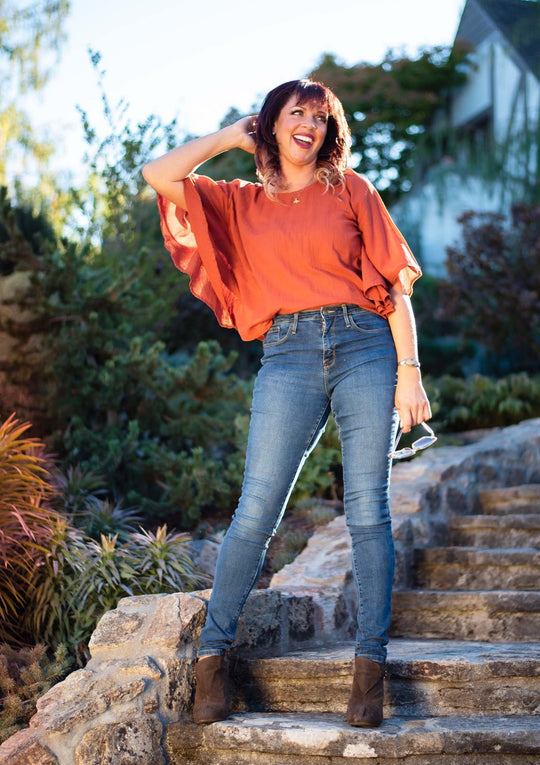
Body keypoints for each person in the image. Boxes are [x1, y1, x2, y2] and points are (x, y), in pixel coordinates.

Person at [143, 79, 432, 729]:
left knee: (367, 507)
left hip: (366, 345)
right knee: (254, 511)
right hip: (289, 353)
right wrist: (225, 137)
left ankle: (369, 671)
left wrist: (410, 373)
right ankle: (212, 662)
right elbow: (157, 173)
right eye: (295, 113)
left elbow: (394, 287)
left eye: (320, 116)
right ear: (270, 125)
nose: (309, 123)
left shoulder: (351, 189)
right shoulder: (239, 202)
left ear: (331, 132)